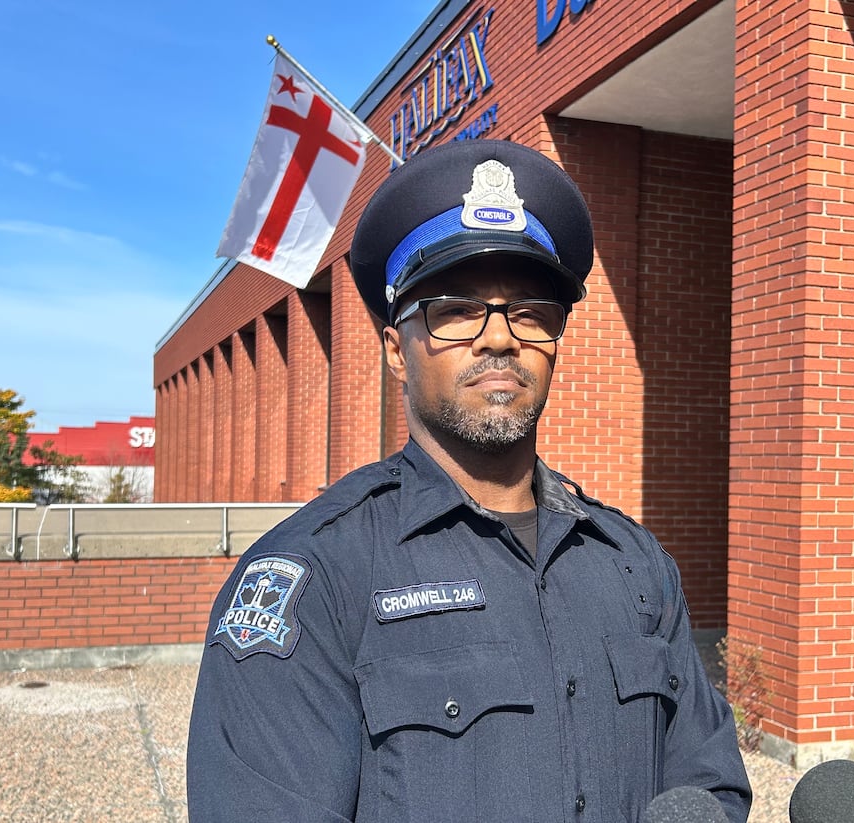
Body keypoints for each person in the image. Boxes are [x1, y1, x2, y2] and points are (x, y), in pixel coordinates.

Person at [186, 139, 752, 822]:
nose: (499, 337)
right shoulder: (316, 576)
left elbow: (710, 782)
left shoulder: (635, 565)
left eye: (530, 312)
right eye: (455, 309)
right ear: (398, 350)